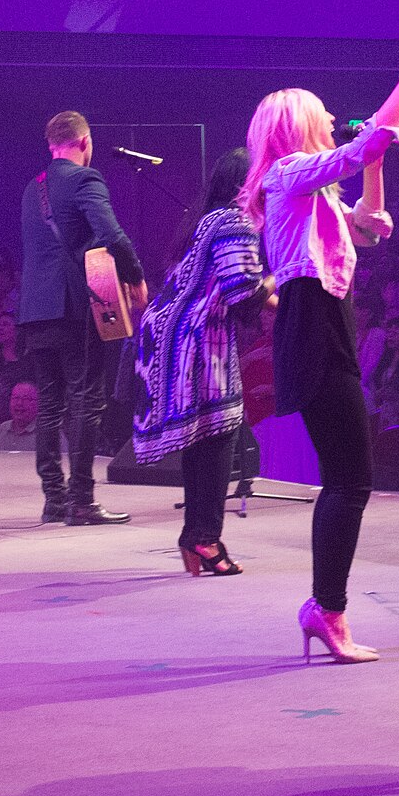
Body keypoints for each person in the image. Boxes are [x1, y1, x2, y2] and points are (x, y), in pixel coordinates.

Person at [244, 18, 399, 664]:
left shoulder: (315, 193)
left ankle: (324, 608)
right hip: (311, 323)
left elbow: (371, 226)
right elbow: (359, 148)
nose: (333, 120)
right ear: (297, 128)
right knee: (350, 478)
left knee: (348, 477)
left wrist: (375, 162)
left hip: (327, 322)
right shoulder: (288, 175)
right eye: (323, 117)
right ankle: (326, 610)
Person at [132, 148, 264, 578]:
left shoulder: (206, 218)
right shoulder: (235, 221)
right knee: (220, 433)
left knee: (204, 435)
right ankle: (204, 538)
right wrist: (293, 289)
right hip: (194, 337)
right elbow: (242, 291)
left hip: (174, 332)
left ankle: (197, 536)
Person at [17, 110, 147, 527]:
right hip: (74, 306)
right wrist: (136, 277)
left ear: (50, 144)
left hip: (35, 309)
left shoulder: (30, 189)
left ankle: (54, 499)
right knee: (87, 400)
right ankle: (82, 501)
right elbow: (112, 234)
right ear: (85, 142)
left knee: (50, 403)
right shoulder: (86, 180)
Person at [0, 382, 42, 451]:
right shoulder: (2, 429)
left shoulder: (45, 433)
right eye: (15, 398)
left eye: (25, 399)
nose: (19, 403)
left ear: (38, 403)